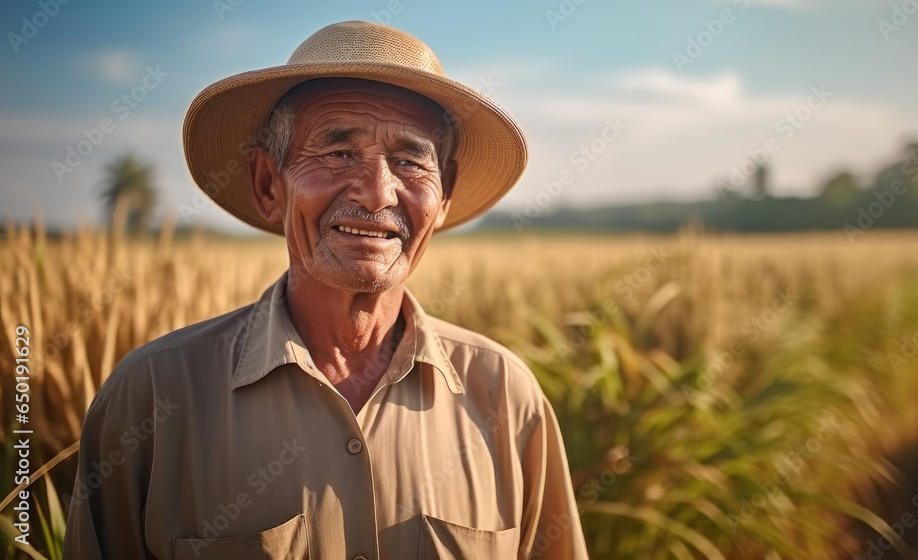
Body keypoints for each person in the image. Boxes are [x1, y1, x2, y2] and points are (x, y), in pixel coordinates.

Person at [63, 20, 589, 560]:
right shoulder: (153, 397)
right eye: (338, 153)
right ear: (269, 184)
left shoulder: (505, 395)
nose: (377, 193)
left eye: (410, 161)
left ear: (444, 192)